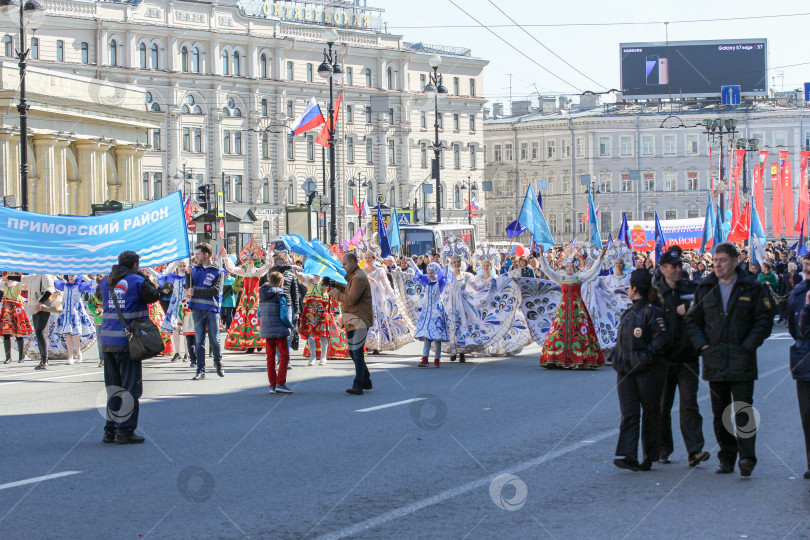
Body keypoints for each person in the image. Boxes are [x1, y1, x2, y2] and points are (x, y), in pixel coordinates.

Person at [685, 242, 774, 477]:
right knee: (720, 411)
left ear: (735, 261)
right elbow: (693, 321)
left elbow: (764, 319)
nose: (717, 264)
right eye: (715, 260)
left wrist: (748, 345)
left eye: (723, 260)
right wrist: (703, 344)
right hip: (714, 359)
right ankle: (727, 457)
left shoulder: (750, 287)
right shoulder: (706, 287)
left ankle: (747, 457)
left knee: (743, 410)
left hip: (741, 358)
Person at [654, 247, 710, 467]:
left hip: (687, 357)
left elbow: (706, 304)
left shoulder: (692, 287)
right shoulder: (655, 293)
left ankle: (695, 450)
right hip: (664, 360)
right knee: (662, 406)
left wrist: (688, 307)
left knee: (689, 405)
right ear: (663, 269)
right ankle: (662, 449)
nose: (678, 270)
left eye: (680, 266)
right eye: (673, 266)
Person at [97, 250, 160, 445]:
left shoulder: (105, 281)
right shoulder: (137, 281)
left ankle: (110, 430)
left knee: (113, 389)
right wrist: (141, 275)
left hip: (107, 342)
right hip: (128, 342)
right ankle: (125, 432)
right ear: (135, 265)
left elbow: (99, 297)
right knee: (131, 389)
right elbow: (154, 296)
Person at [612, 269, 668, 471]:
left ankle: (649, 456)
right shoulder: (629, 313)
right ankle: (628, 454)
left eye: (629, 286)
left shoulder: (653, 312)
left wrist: (642, 360)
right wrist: (616, 360)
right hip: (626, 371)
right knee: (629, 412)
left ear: (634, 288)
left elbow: (660, 341)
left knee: (651, 413)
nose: (628, 289)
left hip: (648, 371)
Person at [536, 245, 607, 369]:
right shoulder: (561, 278)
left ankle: (580, 358)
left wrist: (600, 257)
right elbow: (547, 271)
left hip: (577, 309)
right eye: (566, 266)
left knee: (579, 332)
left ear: (574, 266)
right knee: (559, 333)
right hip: (563, 311)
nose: (568, 268)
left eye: (570, 266)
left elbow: (592, 271)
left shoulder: (579, 277)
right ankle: (556, 357)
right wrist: (541, 256)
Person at [328, 252, 373, 395]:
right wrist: (337, 285)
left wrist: (335, 293)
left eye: (345, 264)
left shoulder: (358, 277)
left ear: (353, 263)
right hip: (353, 318)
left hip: (358, 319)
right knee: (354, 352)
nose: (343, 266)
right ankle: (365, 379)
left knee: (356, 352)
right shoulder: (354, 275)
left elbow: (351, 299)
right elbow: (349, 291)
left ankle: (358, 385)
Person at [222, 241, 273, 352]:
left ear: (254, 260)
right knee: (245, 319)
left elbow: (269, 265)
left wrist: (269, 253)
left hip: (255, 298)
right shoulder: (244, 272)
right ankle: (248, 344)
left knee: (256, 319)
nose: (249, 261)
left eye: (251, 259)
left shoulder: (258, 271)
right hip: (245, 299)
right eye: (247, 259)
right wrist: (226, 256)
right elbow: (231, 269)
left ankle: (258, 342)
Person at [185, 243, 225, 380]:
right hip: (197, 309)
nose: (196, 256)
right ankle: (200, 370)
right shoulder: (194, 269)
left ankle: (217, 361)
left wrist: (196, 291)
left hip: (212, 309)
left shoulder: (218, 271)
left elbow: (215, 290)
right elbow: (188, 287)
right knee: (199, 341)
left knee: (215, 339)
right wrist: (187, 275)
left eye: (199, 254)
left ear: (206, 255)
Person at [786, 253, 810, 482]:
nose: (806, 270)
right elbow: (796, 329)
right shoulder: (799, 293)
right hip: (806, 363)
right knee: (808, 416)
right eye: (805, 267)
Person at [407, 259, 450, 368]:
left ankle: (437, 359)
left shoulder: (440, 282)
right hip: (427, 311)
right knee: (426, 334)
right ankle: (425, 358)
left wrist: (447, 265)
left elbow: (445, 274)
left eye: (432, 273)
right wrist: (411, 263)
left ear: (437, 272)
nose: (430, 275)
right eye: (429, 273)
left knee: (437, 337)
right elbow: (418, 273)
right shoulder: (427, 281)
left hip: (436, 311)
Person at [259, 272, 295, 394]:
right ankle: (281, 383)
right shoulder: (281, 294)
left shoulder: (262, 294)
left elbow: (259, 314)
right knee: (284, 356)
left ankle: (272, 385)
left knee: (270, 358)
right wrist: (291, 326)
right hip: (279, 330)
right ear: (280, 283)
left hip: (267, 329)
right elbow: (283, 315)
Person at [53, 275, 97, 365]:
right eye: (69, 275)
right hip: (66, 314)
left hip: (75, 314)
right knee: (67, 335)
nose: (71, 277)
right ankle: (70, 357)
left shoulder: (79, 286)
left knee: (75, 335)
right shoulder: (64, 285)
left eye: (73, 275)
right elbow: (53, 281)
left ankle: (78, 352)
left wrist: (84, 276)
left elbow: (93, 284)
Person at [22, 273, 56, 370]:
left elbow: (50, 290)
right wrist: (8, 277)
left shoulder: (45, 275)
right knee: (38, 333)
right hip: (34, 308)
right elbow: (23, 279)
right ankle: (43, 360)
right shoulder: (34, 276)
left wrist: (40, 301)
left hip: (43, 307)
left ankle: (45, 361)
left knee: (41, 332)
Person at [0, 275, 33, 364]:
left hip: (16, 309)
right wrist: (3, 278)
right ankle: (8, 357)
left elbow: (27, 284)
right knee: (6, 332)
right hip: (6, 309)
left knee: (18, 332)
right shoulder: (3, 284)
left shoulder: (18, 284)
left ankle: (21, 356)